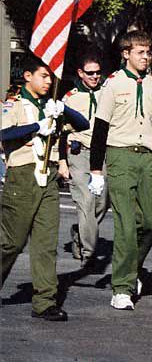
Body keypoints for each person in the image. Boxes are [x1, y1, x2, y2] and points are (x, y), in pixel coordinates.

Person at [89, 30, 152, 311]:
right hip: (120, 156)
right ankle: (122, 287)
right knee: (126, 226)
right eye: (140, 52)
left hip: (147, 158)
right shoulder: (113, 84)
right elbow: (101, 129)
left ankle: (131, 268)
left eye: (148, 52)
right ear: (126, 54)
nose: (145, 57)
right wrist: (96, 169)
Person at [1, 55, 89, 321]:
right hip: (23, 176)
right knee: (10, 243)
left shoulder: (51, 107)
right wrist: (35, 127)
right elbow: (4, 134)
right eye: (44, 76)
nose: (48, 81)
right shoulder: (14, 105)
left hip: (49, 177)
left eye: (50, 77)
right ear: (28, 76)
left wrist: (62, 108)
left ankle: (45, 301)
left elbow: (83, 124)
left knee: (45, 243)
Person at [59, 50, 109, 268]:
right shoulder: (69, 99)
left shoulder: (106, 94)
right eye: (90, 73)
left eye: (98, 73)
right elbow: (60, 133)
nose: (95, 77)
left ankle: (80, 233)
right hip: (79, 154)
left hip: (102, 155)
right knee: (86, 202)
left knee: (102, 202)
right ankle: (89, 254)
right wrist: (62, 161)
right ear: (80, 73)